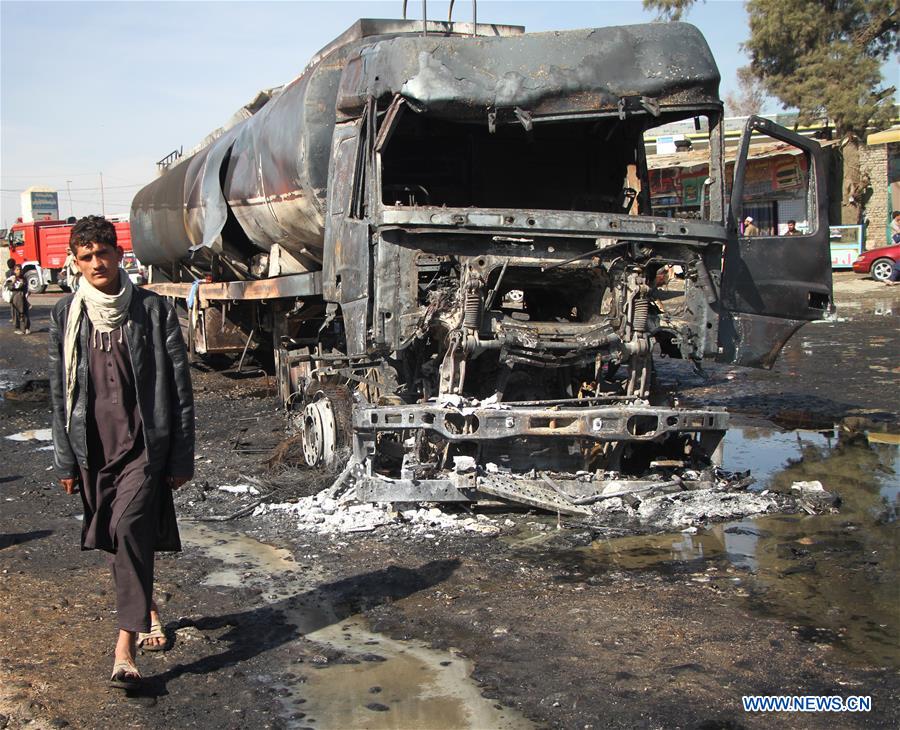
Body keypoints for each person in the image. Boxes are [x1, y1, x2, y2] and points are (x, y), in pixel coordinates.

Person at [48, 215, 194, 690]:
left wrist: (180, 456)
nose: (96, 263)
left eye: (103, 253)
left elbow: (179, 388)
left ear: (118, 254)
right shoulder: (65, 314)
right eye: (86, 256)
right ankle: (146, 605)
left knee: (129, 525)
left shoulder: (152, 309)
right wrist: (65, 459)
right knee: (115, 537)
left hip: (144, 446)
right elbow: (60, 393)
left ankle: (124, 646)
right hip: (93, 449)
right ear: (75, 262)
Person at [6, 264, 30, 334]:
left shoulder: (23, 278)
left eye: (20, 269)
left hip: (22, 297)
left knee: (25, 313)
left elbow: (26, 287)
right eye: (17, 270)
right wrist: (13, 282)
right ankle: (17, 328)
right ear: (14, 271)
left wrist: (27, 292)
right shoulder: (11, 278)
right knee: (16, 314)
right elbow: (10, 288)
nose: (19, 271)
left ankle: (26, 327)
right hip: (15, 298)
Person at [4, 257, 16, 323]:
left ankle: (13, 318)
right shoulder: (16, 272)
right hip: (16, 290)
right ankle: (18, 317)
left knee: (12, 305)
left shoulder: (7, 273)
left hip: (10, 290)